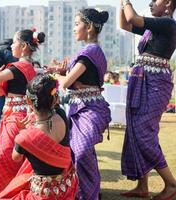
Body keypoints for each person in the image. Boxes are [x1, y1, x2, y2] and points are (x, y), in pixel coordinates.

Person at [120, 0, 176, 199]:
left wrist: (126, 1)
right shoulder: (152, 28)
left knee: (144, 133)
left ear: (168, 2)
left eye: (155, 0)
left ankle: (171, 184)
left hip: (155, 84)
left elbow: (132, 18)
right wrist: (122, 5)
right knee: (135, 130)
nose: (151, 3)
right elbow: (125, 24)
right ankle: (142, 186)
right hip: (142, 80)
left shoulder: (168, 24)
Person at [0, 29, 45, 199]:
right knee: (4, 157)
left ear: (23, 46)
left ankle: (6, 193)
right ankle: (10, 191)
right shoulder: (25, 67)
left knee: (5, 158)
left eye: (14, 43)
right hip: (14, 117)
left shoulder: (20, 66)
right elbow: (1, 94)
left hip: (16, 120)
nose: (11, 47)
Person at [54, 8, 111, 200]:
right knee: (80, 152)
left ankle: (89, 193)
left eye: (77, 24)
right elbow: (72, 80)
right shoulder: (87, 51)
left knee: (82, 150)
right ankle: (87, 192)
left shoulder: (90, 51)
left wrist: (59, 77)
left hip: (91, 108)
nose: (74, 29)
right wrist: (65, 74)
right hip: (80, 107)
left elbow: (65, 84)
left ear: (88, 27)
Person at [0, 74, 78, 200]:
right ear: (55, 99)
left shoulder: (24, 138)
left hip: (42, 194)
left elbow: (16, 158)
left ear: (28, 101)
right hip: (67, 187)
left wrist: (22, 132)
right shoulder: (61, 115)